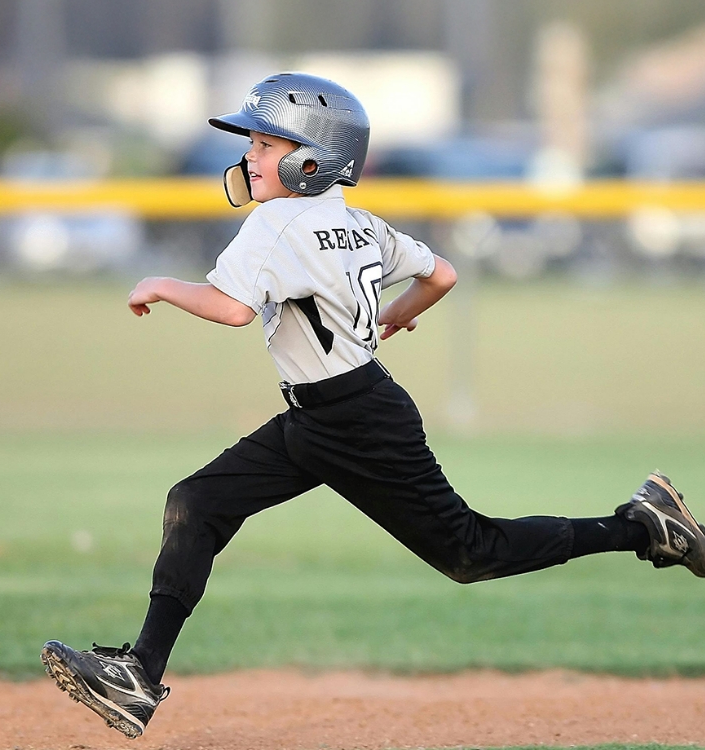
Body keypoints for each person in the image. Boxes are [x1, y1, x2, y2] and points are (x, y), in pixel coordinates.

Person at [40, 72, 705, 740]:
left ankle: (643, 527)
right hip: (331, 413)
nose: (250, 154)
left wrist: (162, 283)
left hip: (354, 423)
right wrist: (392, 318)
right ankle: (137, 675)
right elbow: (440, 273)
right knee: (199, 501)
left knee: (472, 552)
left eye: (267, 142)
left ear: (313, 158)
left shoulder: (275, 222)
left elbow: (234, 310)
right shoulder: (357, 221)